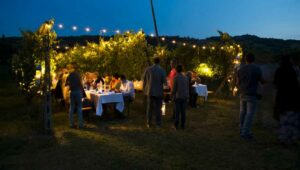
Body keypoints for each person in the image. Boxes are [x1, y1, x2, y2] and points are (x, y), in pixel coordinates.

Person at [273, 55, 300, 145]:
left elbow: (276, 84)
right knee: (293, 119)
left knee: (284, 119)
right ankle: (292, 138)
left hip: (282, 98)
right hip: (293, 98)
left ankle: (283, 138)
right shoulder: (293, 71)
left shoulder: (279, 70)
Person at [237, 53, 264, 140]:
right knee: (249, 114)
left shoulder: (241, 69)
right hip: (251, 94)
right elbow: (261, 81)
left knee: (242, 112)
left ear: (246, 59)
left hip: (242, 93)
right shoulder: (256, 68)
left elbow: (238, 82)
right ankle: (246, 133)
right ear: (254, 59)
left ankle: (241, 129)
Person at [143, 55, 167, 128]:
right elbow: (164, 82)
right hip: (158, 92)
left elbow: (144, 80)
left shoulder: (148, 69)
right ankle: (158, 123)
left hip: (150, 91)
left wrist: (145, 89)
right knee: (158, 108)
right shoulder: (162, 70)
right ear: (159, 62)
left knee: (149, 108)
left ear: (153, 61)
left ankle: (148, 123)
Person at [65, 62, 84, 129]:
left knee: (71, 107)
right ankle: (80, 124)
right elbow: (81, 84)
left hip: (72, 92)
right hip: (78, 91)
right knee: (79, 107)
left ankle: (71, 124)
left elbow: (66, 84)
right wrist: (83, 92)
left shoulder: (69, 75)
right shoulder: (78, 75)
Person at [172, 64, 189, 129]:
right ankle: (183, 125)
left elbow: (174, 89)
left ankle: (176, 125)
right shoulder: (186, 77)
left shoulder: (176, 77)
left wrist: (172, 96)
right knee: (183, 112)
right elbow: (187, 88)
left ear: (176, 70)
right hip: (184, 96)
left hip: (178, 96)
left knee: (177, 111)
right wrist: (188, 96)